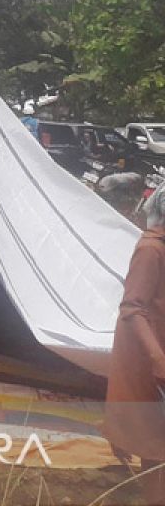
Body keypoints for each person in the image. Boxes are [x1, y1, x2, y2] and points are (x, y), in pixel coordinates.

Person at [104, 186, 165, 505]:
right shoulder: (151, 249)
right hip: (149, 350)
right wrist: (157, 357)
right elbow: (132, 307)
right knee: (154, 438)